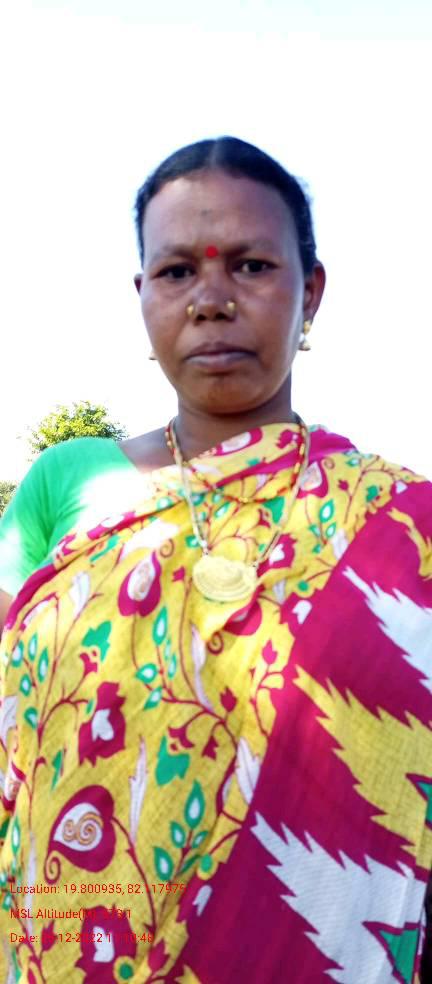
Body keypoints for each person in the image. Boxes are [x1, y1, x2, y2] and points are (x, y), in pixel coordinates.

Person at [0, 136, 431, 984]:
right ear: (142, 297)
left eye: (251, 265)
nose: (210, 300)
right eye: (176, 273)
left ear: (311, 291)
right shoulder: (64, 482)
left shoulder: (400, 529)